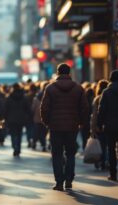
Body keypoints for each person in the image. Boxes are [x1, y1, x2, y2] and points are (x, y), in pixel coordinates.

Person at [41, 63, 88, 191]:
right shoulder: (78, 88)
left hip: (55, 127)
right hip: (72, 126)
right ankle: (69, 180)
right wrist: (82, 122)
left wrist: (47, 122)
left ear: (58, 72)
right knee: (70, 154)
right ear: (69, 73)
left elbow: (44, 108)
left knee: (56, 154)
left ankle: (59, 182)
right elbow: (84, 108)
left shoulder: (50, 88)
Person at [97, 70, 118, 181]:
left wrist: (99, 123)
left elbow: (101, 110)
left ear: (110, 79)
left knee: (111, 149)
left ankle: (113, 173)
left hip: (110, 126)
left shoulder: (106, 92)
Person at [5, 83, 31, 157]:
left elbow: (6, 109)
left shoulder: (9, 97)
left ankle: (14, 146)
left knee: (13, 134)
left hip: (11, 119)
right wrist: (28, 117)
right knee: (19, 134)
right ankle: (18, 148)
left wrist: (5, 118)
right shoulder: (24, 97)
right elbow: (28, 109)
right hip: (21, 119)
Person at [90, 80, 109, 170]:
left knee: (101, 144)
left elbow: (94, 115)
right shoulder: (110, 97)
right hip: (109, 125)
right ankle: (105, 162)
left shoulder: (97, 99)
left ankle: (100, 160)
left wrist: (93, 128)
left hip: (98, 125)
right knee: (107, 145)